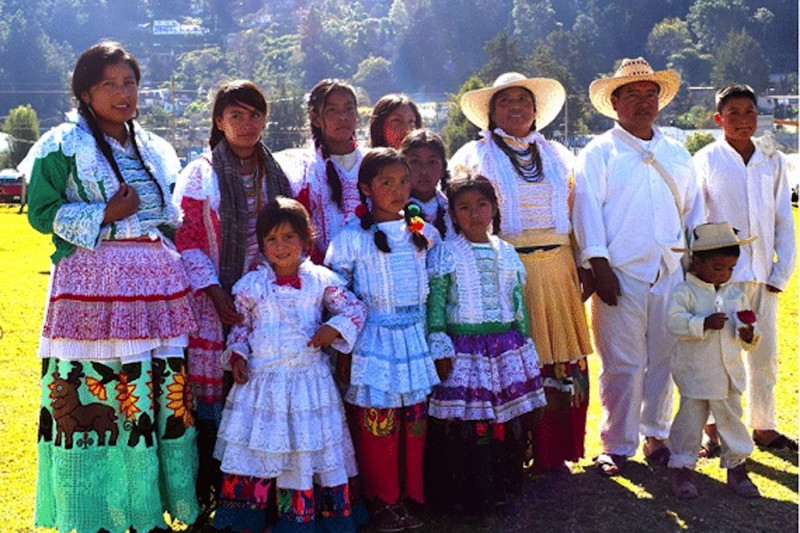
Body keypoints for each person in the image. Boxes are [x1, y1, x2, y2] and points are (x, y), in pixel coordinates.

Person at [27, 41, 199, 532]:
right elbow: (41, 213)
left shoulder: (154, 148)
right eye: (109, 84)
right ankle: (94, 513)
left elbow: (167, 219)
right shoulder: (64, 144)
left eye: (129, 83)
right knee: (103, 395)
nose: (123, 93)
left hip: (155, 294)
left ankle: (152, 510)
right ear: (85, 91)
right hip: (93, 292)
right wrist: (107, 214)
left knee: (156, 395)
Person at [450, 72, 592, 474]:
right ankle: (518, 450)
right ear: (491, 113)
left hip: (560, 269)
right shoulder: (472, 156)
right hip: (505, 272)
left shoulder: (560, 156)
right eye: (505, 101)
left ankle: (557, 450)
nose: (515, 108)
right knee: (515, 358)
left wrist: (584, 264)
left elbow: (576, 212)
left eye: (523, 101)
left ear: (535, 110)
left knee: (561, 358)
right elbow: (460, 215)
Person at [572, 57, 704, 476]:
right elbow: (587, 209)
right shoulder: (599, 153)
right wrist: (598, 263)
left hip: (670, 271)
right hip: (620, 273)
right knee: (622, 362)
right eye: (632, 94)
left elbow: (693, 213)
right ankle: (617, 442)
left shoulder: (678, 154)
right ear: (614, 101)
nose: (643, 102)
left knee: (665, 359)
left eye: (651, 94)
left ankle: (656, 435)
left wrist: (695, 264)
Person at [212, 197, 368, 532]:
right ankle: (250, 517)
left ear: (306, 239)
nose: (281, 246)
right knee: (259, 446)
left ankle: (298, 519)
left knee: (305, 448)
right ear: (262, 244)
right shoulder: (251, 286)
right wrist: (238, 354)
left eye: (289, 237)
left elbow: (356, 310)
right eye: (272, 239)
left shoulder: (321, 281)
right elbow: (241, 326)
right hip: (262, 384)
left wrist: (333, 329)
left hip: (308, 385)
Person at [173, 79, 292, 507]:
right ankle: (211, 492)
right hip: (212, 303)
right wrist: (214, 292)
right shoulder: (200, 174)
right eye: (235, 115)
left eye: (254, 115)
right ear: (219, 122)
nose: (246, 124)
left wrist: (264, 288)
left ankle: (261, 493)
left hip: (263, 300)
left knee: (260, 389)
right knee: (215, 396)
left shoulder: (278, 174)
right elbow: (185, 240)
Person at [325, 148, 441, 533]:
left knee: (413, 421)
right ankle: (382, 499)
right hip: (372, 342)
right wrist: (344, 344)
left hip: (413, 339)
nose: (397, 190)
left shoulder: (423, 234)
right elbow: (336, 294)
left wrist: (437, 341)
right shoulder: (350, 240)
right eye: (386, 183)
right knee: (379, 422)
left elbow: (437, 290)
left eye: (403, 182)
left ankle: (410, 495)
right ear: (365, 189)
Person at [425, 174, 547, 512]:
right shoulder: (446, 254)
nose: (474, 214)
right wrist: (438, 341)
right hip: (465, 350)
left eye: (481, 205)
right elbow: (435, 301)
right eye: (464, 208)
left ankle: (503, 482)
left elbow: (517, 302)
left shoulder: (506, 252)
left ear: (494, 208)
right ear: (452, 214)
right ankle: (468, 491)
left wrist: (525, 342)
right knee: (466, 420)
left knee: (504, 419)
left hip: (504, 349)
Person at [694, 84, 797, 453]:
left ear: (758, 115)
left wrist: (780, 272)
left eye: (749, 112)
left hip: (762, 277)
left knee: (764, 356)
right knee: (721, 358)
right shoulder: (706, 160)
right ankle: (713, 429)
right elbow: (695, 218)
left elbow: (784, 218)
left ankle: (764, 426)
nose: (742, 120)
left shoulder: (772, 160)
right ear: (719, 119)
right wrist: (703, 271)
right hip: (722, 278)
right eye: (733, 113)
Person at [666, 222, 761, 499]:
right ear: (697, 261)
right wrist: (701, 323)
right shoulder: (685, 292)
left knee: (732, 421)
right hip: (696, 373)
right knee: (689, 421)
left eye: (731, 269)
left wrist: (749, 334)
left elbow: (750, 328)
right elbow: (674, 322)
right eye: (718, 268)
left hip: (729, 375)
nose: (725, 274)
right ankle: (682, 466)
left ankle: (737, 466)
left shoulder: (736, 295)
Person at [281, 79, 363, 262]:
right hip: (321, 278)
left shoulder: (372, 165)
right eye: (332, 110)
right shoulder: (301, 172)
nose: (343, 116)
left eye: (349, 108)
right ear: (315, 118)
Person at [400, 128, 453, 239]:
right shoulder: (394, 210)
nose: (424, 171)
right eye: (415, 162)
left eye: (432, 162)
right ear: (402, 167)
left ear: (443, 169)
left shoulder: (453, 210)